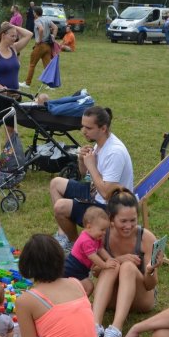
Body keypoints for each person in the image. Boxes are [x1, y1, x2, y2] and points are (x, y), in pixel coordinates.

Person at [49, 105, 134, 249]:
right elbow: (85, 176)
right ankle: (66, 237)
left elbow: (107, 194)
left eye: (88, 128)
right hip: (96, 193)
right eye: (83, 126)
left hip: (109, 207)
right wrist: (82, 161)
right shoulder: (100, 143)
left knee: (60, 207)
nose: (83, 131)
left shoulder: (115, 152)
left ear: (103, 128)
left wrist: (92, 165)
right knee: (56, 183)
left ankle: (77, 246)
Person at [94, 188, 159, 337]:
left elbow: (150, 285)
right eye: (123, 221)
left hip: (141, 297)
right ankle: (94, 326)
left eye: (133, 220)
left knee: (128, 267)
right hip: (111, 297)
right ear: (111, 219)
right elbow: (95, 271)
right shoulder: (102, 234)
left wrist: (150, 270)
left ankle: (115, 330)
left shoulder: (147, 238)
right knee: (112, 265)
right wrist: (117, 260)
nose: (129, 226)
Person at [0, 21, 33, 151]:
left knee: (10, 128)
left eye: (15, 36)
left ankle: (8, 157)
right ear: (3, 35)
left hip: (14, 95)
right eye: (12, 35)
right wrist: (1, 88)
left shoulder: (14, 49)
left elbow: (29, 34)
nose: (15, 38)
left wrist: (12, 26)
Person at [64, 206, 118, 294]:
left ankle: (79, 302)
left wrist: (109, 258)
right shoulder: (86, 240)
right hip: (73, 268)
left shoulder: (96, 237)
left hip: (81, 269)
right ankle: (82, 304)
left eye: (106, 230)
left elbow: (100, 249)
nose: (104, 233)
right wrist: (104, 265)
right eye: (102, 229)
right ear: (89, 227)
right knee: (89, 287)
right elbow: (93, 257)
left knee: (84, 287)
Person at [23, 6, 57, 87]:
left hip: (40, 45)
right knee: (47, 66)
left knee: (32, 64)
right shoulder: (47, 19)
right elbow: (55, 28)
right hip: (48, 46)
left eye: (33, 12)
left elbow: (41, 29)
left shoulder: (37, 20)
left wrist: (39, 40)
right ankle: (50, 85)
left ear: (35, 13)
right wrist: (53, 37)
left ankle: (27, 83)